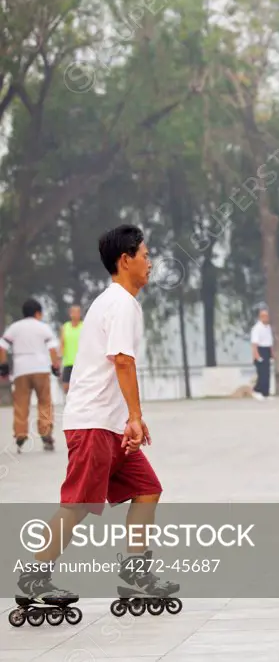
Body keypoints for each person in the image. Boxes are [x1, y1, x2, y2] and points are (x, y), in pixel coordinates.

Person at [11, 225, 179, 625]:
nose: (150, 261)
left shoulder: (119, 302)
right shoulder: (119, 302)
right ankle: (34, 579)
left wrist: (131, 420)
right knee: (80, 503)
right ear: (126, 261)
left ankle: (135, 573)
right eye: (145, 254)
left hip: (111, 425)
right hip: (92, 425)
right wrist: (134, 417)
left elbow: (115, 368)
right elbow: (122, 361)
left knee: (147, 489)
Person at [0, 298, 61, 452]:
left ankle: (20, 434)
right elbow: (52, 349)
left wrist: (4, 366)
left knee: (21, 403)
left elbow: (2, 347)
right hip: (41, 368)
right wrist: (55, 366)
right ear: (38, 313)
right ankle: (46, 432)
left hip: (21, 370)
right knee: (45, 402)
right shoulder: (43, 328)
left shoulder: (14, 327)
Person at [250, 308, 273, 400]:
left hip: (267, 350)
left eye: (267, 316)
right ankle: (256, 390)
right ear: (260, 317)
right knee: (262, 373)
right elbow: (254, 344)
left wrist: (271, 354)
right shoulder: (256, 328)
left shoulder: (268, 327)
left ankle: (266, 393)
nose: (265, 318)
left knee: (267, 373)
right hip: (260, 350)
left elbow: (269, 342)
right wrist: (257, 356)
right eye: (263, 316)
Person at [60, 305, 83, 395]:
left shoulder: (84, 326)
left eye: (78, 312)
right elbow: (62, 344)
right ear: (70, 314)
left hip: (81, 362)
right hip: (68, 362)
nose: (76, 314)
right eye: (73, 312)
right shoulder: (65, 327)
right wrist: (59, 358)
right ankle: (69, 405)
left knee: (80, 386)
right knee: (66, 387)